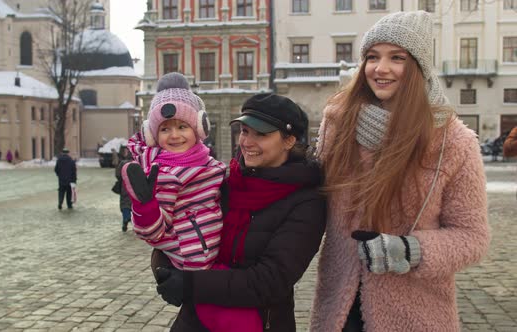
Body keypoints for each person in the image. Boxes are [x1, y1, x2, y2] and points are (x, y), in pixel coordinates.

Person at [308, 11, 489, 332]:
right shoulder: (338, 123)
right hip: (339, 306)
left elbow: (472, 236)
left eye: (397, 58)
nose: (381, 68)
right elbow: (310, 197)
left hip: (415, 312)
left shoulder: (453, 140)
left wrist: (411, 250)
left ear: (418, 67)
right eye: (372, 57)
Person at [154, 93, 327, 332]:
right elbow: (181, 233)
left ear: (289, 141)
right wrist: (163, 267)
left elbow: (271, 280)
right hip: (197, 320)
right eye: (245, 131)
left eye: (261, 134)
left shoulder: (307, 201)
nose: (246, 142)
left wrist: (190, 284)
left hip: (258, 323)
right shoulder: (224, 181)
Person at [112, 149, 132, 232]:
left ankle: (125, 219)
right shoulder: (138, 163)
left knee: (125, 204)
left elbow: (117, 174)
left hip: (125, 186)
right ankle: (134, 221)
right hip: (136, 187)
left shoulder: (123, 163)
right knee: (135, 204)